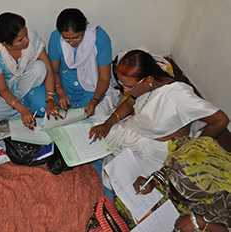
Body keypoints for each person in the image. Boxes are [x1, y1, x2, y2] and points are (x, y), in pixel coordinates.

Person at [89, 49, 229, 194]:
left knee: (115, 181)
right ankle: (116, 154)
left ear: (148, 80)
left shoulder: (178, 95)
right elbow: (130, 102)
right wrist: (108, 124)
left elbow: (221, 120)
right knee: (93, 131)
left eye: (129, 86)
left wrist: (190, 150)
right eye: (121, 83)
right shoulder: (146, 84)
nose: (124, 90)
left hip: (157, 149)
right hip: (136, 129)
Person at [0, 12, 59, 129]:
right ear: (5, 43)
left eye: (26, 34)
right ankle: (24, 111)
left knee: (40, 67)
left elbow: (49, 70)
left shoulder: (33, 39)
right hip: (4, 90)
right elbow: (3, 90)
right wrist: (22, 109)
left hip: (25, 84)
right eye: (20, 40)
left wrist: (49, 98)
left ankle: (18, 112)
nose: (27, 40)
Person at [133, 136, 230, 232]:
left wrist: (200, 222)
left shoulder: (224, 197)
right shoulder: (194, 155)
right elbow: (177, 169)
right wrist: (154, 180)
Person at [48, 8, 119, 119]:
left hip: (92, 90)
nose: (71, 42)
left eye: (76, 37)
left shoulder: (99, 38)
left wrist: (94, 101)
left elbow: (104, 78)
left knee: (95, 116)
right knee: (44, 107)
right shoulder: (56, 37)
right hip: (63, 88)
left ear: (84, 29)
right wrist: (60, 91)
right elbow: (54, 71)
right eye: (66, 39)